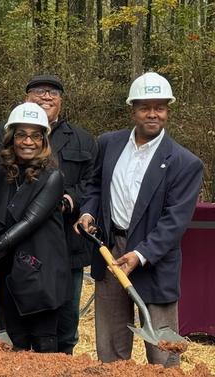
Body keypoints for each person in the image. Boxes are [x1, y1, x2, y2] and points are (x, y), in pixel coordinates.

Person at [75, 72, 203, 367]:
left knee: (162, 351)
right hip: (110, 250)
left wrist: (141, 254)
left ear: (168, 111)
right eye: (145, 107)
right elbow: (95, 185)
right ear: (132, 110)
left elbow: (175, 221)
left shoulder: (184, 163)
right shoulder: (108, 144)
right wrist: (87, 213)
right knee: (111, 345)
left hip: (153, 259)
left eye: (159, 107)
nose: (153, 114)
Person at [0, 102, 70, 353]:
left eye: (36, 136)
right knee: (14, 349)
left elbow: (29, 222)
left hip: (41, 276)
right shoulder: (5, 173)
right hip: (10, 275)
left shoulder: (52, 177)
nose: (28, 142)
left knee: (45, 352)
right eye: (22, 135)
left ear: (44, 140)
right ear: (11, 138)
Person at [23, 74, 98, 355]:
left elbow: (92, 182)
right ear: (25, 98)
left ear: (61, 101)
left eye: (53, 93)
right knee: (21, 325)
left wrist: (69, 200)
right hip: (22, 246)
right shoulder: (11, 136)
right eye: (39, 91)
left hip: (68, 245)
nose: (46, 97)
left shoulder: (83, 140)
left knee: (66, 325)